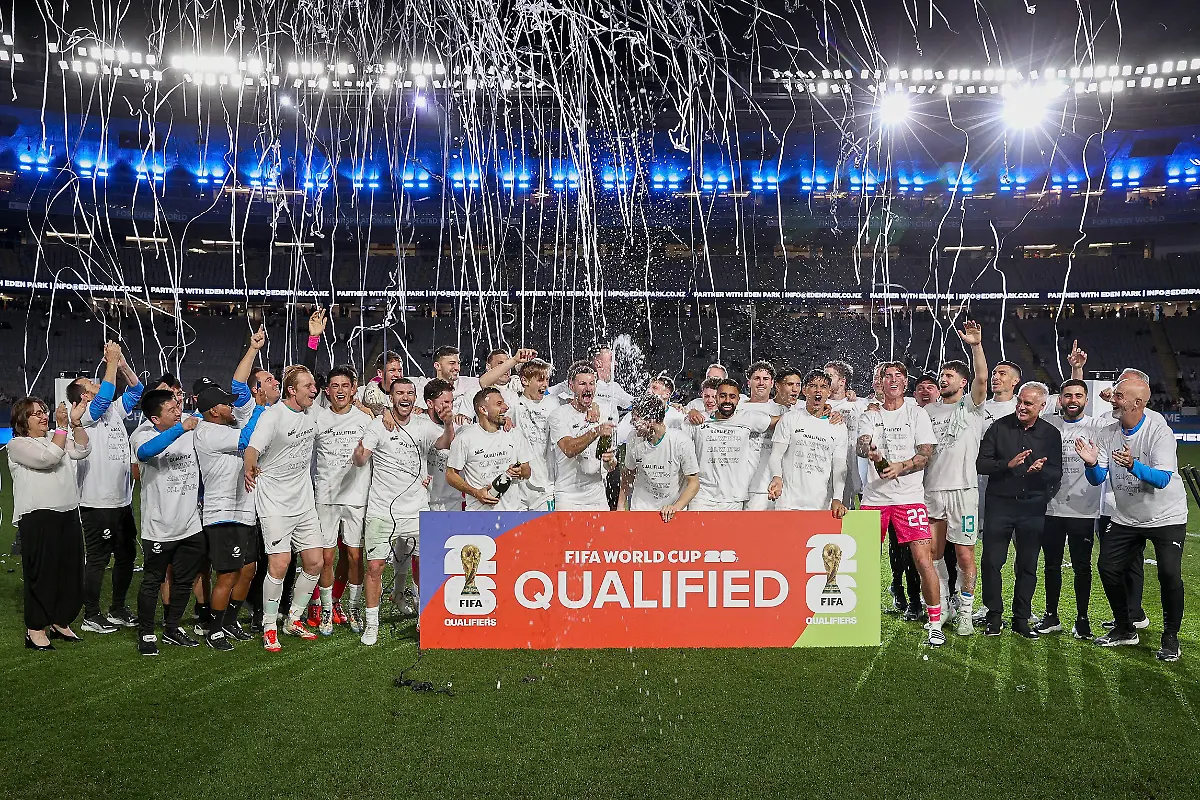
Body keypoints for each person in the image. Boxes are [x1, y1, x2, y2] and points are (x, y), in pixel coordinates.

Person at [1076, 377, 1189, 660]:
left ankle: (1170, 636)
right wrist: (1091, 463)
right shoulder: (1108, 431)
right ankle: (1125, 628)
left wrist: (1133, 465)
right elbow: (1098, 478)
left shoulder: (1159, 431)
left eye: (1119, 395)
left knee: (1169, 574)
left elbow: (1163, 479)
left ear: (1138, 403)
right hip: (1126, 516)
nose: (1113, 399)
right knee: (1108, 567)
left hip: (1166, 516)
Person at [352, 378, 453, 645]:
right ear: (391, 397)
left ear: (415, 397)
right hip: (382, 510)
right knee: (374, 567)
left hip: (417, 508)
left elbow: (443, 443)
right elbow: (362, 457)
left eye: (410, 393)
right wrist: (360, 455)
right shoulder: (378, 426)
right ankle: (371, 624)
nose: (405, 397)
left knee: (425, 566)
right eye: (399, 393)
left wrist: (449, 423)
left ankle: (424, 616)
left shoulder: (423, 426)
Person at [857, 362, 942, 645]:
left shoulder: (916, 413)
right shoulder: (869, 414)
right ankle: (861, 618)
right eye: (886, 376)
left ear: (905, 382)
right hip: (874, 499)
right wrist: (870, 450)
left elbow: (924, 455)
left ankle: (934, 622)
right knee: (865, 561)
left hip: (909, 498)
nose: (892, 380)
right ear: (879, 383)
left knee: (922, 560)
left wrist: (900, 467)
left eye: (898, 376)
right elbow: (861, 444)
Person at [243, 365, 322, 651]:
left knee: (315, 561)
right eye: (308, 386)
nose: (314, 390)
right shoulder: (272, 416)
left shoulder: (313, 412)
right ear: (292, 390)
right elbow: (252, 448)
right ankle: (269, 626)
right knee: (279, 564)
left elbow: (345, 412)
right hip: (275, 503)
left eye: (314, 385)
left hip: (303, 502)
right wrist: (248, 466)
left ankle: (294, 619)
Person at [976, 382, 1063, 639]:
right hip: (1000, 504)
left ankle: (1021, 619)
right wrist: (1007, 464)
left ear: (1042, 406)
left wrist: (1040, 471)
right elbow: (982, 464)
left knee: (1027, 565)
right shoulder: (999, 427)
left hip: (1032, 507)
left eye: (1028, 404)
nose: (1022, 407)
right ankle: (994, 616)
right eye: (1020, 402)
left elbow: (1056, 472)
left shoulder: (1050, 434)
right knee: (992, 562)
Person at [68, 340, 144, 634]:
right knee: (99, 558)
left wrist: (122, 363)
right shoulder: (85, 414)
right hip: (96, 501)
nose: (95, 381)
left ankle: (117, 609)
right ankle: (91, 615)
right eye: (89, 382)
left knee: (126, 555)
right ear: (83, 395)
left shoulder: (112, 410)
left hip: (121, 501)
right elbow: (105, 396)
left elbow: (136, 390)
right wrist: (111, 360)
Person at [7, 397, 90, 650]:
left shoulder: (57, 435)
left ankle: (60, 620)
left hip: (67, 511)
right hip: (38, 516)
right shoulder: (17, 444)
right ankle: (35, 628)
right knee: (42, 574)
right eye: (36, 414)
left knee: (70, 572)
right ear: (23, 420)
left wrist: (75, 423)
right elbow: (48, 459)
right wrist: (62, 428)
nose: (43, 416)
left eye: (44, 411)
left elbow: (83, 450)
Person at [922, 320, 989, 637]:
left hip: (963, 490)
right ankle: (945, 604)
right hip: (931, 490)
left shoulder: (972, 406)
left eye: (949, 376)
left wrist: (975, 345)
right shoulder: (927, 412)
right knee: (934, 554)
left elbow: (983, 377)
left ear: (963, 382)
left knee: (964, 554)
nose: (943, 378)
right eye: (942, 375)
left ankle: (966, 613)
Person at [131, 389, 207, 656]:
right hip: (159, 527)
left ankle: (173, 628)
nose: (178, 411)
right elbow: (145, 453)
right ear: (155, 418)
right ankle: (146, 632)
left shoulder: (189, 422)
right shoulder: (142, 434)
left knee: (184, 581)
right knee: (152, 581)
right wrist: (181, 429)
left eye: (177, 406)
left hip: (190, 524)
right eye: (171, 409)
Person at [193, 380, 261, 649]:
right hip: (224, 513)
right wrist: (260, 408)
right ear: (213, 411)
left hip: (244, 510)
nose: (231, 406)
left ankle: (230, 621)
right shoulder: (208, 432)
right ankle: (214, 629)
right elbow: (247, 438)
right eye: (226, 403)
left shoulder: (224, 426)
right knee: (228, 574)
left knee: (248, 570)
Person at [1037, 379, 1106, 639]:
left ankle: (1082, 619)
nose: (1073, 400)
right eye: (1068, 395)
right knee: (1051, 565)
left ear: (1086, 400)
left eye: (1078, 395)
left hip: (1083, 509)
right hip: (1051, 508)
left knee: (1082, 567)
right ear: (1060, 399)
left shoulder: (1096, 426)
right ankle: (1051, 615)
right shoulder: (1049, 425)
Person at [311, 365, 373, 635]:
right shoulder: (317, 418)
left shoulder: (366, 419)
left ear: (353, 389)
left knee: (355, 556)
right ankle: (326, 609)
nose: (340, 390)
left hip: (357, 496)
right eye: (334, 386)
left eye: (344, 386)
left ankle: (353, 607)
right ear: (327, 391)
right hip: (325, 496)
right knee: (326, 557)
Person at [767, 370, 849, 516]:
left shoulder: (838, 426)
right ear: (805, 391)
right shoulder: (790, 418)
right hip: (788, 503)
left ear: (829, 392)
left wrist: (837, 498)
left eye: (823, 387)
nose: (818, 390)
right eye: (813, 386)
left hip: (821, 505)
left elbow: (839, 466)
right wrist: (777, 477)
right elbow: (776, 455)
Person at [688, 378, 775, 510]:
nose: (727, 400)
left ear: (738, 400)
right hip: (702, 498)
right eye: (723, 396)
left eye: (732, 397)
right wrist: (689, 412)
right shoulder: (699, 420)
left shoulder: (747, 418)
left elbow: (778, 422)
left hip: (734, 499)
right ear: (716, 398)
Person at [548, 361, 618, 511]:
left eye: (592, 384)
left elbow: (611, 465)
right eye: (582, 384)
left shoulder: (604, 414)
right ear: (571, 386)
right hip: (568, 498)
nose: (588, 388)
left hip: (597, 496)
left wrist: (610, 460)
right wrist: (595, 431)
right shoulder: (559, 415)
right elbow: (569, 449)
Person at [446, 388, 532, 510]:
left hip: (513, 514)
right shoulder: (465, 438)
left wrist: (521, 472)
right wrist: (475, 492)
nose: (506, 407)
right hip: (480, 517)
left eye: (504, 402)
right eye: (499, 404)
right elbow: (450, 475)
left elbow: (527, 472)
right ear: (483, 410)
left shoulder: (514, 434)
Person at [618, 395, 699, 521]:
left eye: (635, 419)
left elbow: (694, 483)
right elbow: (628, 474)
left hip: (671, 512)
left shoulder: (680, 442)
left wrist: (676, 507)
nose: (632, 423)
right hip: (640, 509)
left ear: (651, 419)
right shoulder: (633, 438)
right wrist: (620, 507)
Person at [506, 359, 558, 510]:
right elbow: (484, 384)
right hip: (518, 485)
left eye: (547, 380)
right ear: (524, 380)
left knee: (546, 532)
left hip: (546, 487)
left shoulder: (554, 403)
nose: (545, 385)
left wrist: (593, 406)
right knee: (518, 533)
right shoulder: (513, 405)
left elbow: (576, 403)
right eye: (540, 380)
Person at [742, 361, 786, 511]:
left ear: (772, 383)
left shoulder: (783, 410)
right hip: (738, 485)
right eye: (757, 378)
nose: (761, 383)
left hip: (767, 485)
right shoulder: (737, 407)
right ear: (749, 382)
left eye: (766, 379)